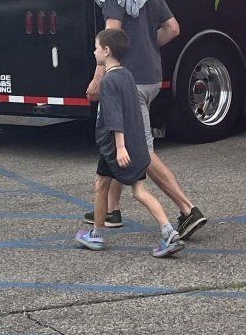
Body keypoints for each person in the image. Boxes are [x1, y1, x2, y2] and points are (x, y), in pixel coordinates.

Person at [83, 0, 207, 241]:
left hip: (128, 81)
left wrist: (98, 78)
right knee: (119, 139)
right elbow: (172, 28)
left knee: (140, 149)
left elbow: (110, 40)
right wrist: (148, 48)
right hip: (151, 75)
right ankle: (110, 210)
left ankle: (187, 209)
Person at [76, 28, 183, 258]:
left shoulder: (109, 81)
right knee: (139, 191)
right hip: (135, 145)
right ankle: (169, 231)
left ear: (106, 51)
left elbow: (114, 116)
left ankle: (96, 234)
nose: (94, 52)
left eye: (96, 48)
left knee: (100, 186)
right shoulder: (127, 75)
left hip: (115, 148)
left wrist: (120, 147)